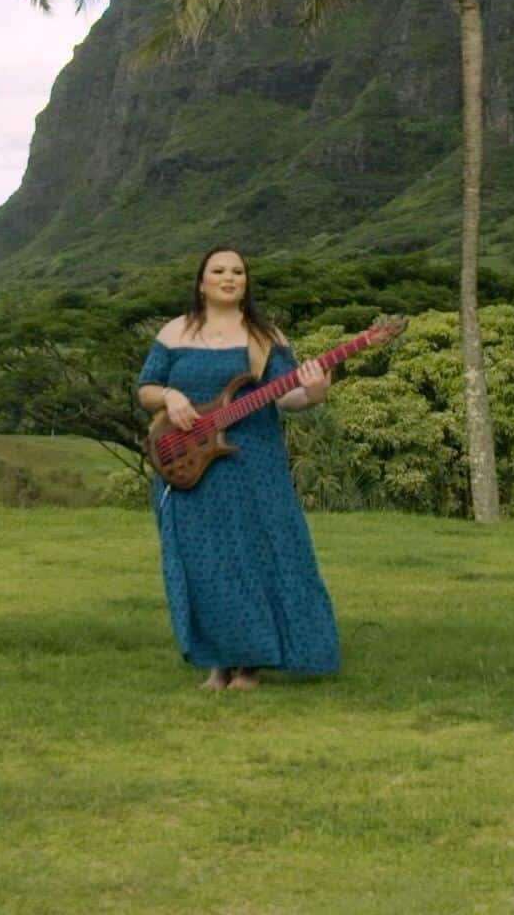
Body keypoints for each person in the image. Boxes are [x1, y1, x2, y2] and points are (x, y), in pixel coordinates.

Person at [137, 244, 340, 691]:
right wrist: (170, 396)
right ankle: (217, 663)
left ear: (246, 282)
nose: (229, 278)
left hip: (252, 462)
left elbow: (287, 398)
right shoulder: (174, 333)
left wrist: (316, 389)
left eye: (238, 271)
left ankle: (251, 665)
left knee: (256, 557)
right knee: (202, 565)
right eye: (219, 271)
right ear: (201, 282)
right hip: (188, 464)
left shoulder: (266, 337)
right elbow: (146, 389)